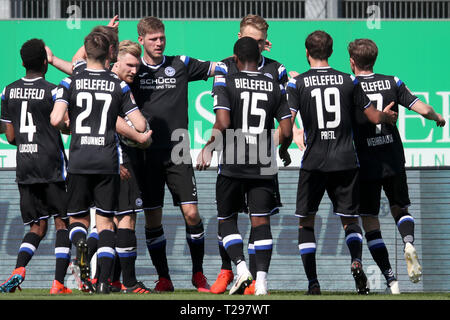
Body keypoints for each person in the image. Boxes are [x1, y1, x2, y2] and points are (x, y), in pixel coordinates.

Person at [286, 30, 398, 295]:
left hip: (313, 162)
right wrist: (387, 117)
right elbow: (372, 116)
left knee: (306, 222)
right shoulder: (349, 80)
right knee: (350, 220)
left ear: (306, 52)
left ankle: (313, 283)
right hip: (346, 161)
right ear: (332, 51)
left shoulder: (297, 83)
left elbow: (287, 125)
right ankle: (356, 260)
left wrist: (284, 145)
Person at [50, 31, 150, 294]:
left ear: (85, 52)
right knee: (106, 222)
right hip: (107, 161)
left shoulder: (69, 82)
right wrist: (142, 135)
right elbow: (139, 123)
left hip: (79, 160)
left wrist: (68, 123)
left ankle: (81, 242)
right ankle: (104, 281)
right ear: (110, 55)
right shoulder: (118, 85)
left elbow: (55, 120)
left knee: (78, 221)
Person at [129, 16, 220, 292]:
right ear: (141, 40)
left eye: (162, 38)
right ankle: (164, 277)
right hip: (145, 155)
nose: (159, 43)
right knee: (153, 218)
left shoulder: (180, 63)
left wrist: (248, 50)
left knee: (192, 214)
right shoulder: (132, 70)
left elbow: (220, 67)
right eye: (153, 39)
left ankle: (198, 274)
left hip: (178, 151)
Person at [347, 38, 446, 293]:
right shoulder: (393, 81)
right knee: (400, 207)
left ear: (352, 61)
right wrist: (437, 117)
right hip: (392, 157)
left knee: (370, 220)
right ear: (374, 59)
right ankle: (408, 242)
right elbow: (421, 108)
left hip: (365, 162)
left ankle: (391, 280)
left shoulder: (350, 85)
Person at [197, 36, 292, 295]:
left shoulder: (226, 81)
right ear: (258, 57)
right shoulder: (274, 84)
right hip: (263, 162)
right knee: (260, 222)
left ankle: (240, 268)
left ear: (236, 59)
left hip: (233, 161)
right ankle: (261, 282)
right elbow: (286, 128)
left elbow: (224, 122)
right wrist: (283, 149)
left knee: (227, 220)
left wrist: (208, 147)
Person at [0, 39, 71, 294]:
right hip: (51, 165)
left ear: (22, 63)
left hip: (26, 168)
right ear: (45, 62)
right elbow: (66, 124)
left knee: (37, 227)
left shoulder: (8, 91)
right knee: (64, 223)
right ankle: (58, 283)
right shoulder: (53, 91)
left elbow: (9, 137)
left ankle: (18, 270)